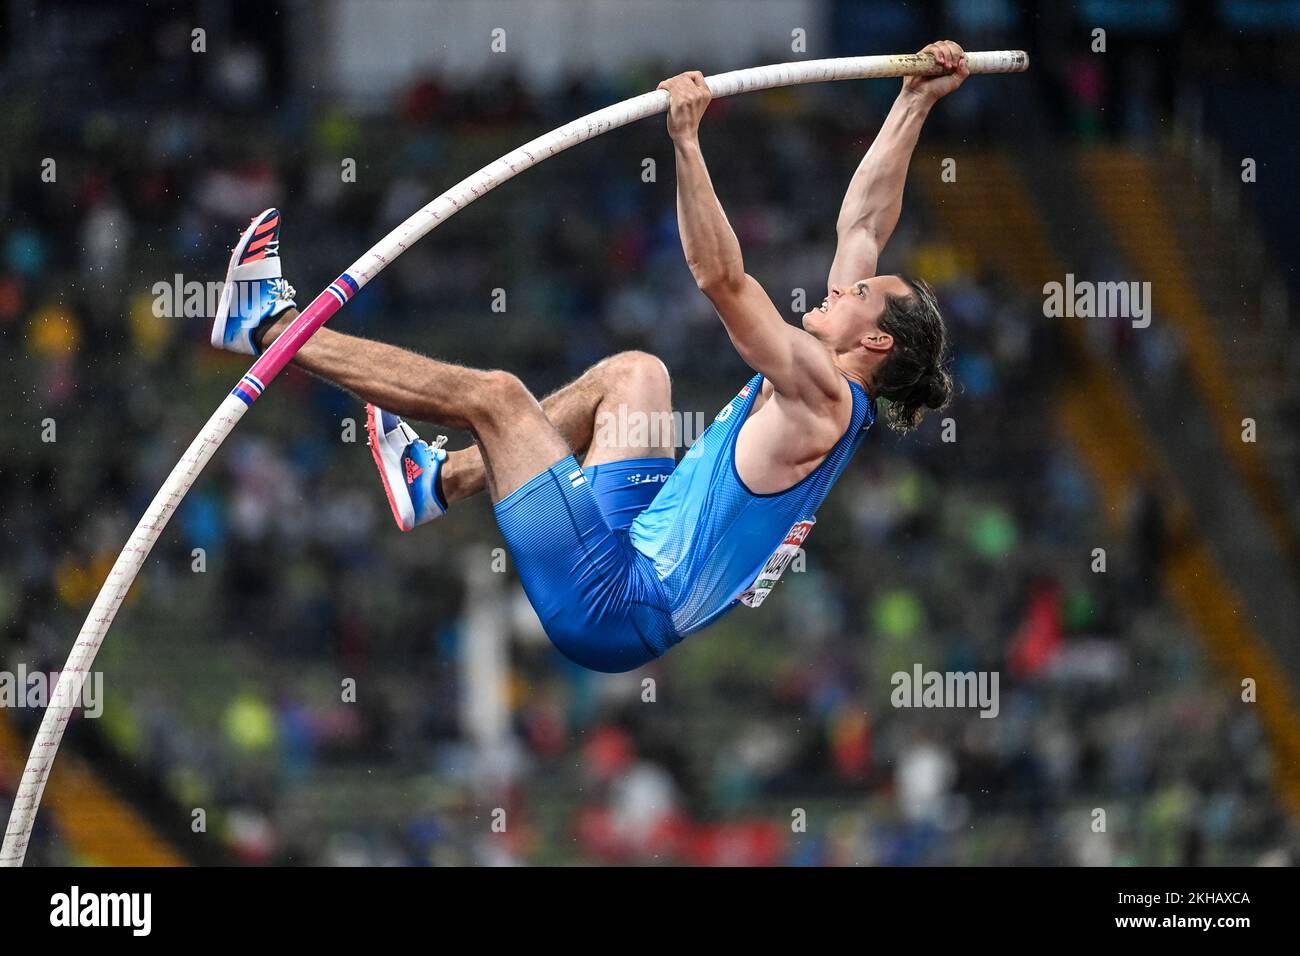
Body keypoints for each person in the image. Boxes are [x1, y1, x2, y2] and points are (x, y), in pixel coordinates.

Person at [208, 40, 968, 673]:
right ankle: (435, 480)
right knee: (636, 375)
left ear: (876, 340)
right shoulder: (834, 373)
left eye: (861, 292)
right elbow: (864, 222)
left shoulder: (821, 397)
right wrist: (914, 101)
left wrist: (686, 140)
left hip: (613, 607)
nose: (845, 284)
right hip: (636, 547)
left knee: (499, 399)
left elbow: (720, 279)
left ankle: (269, 326)